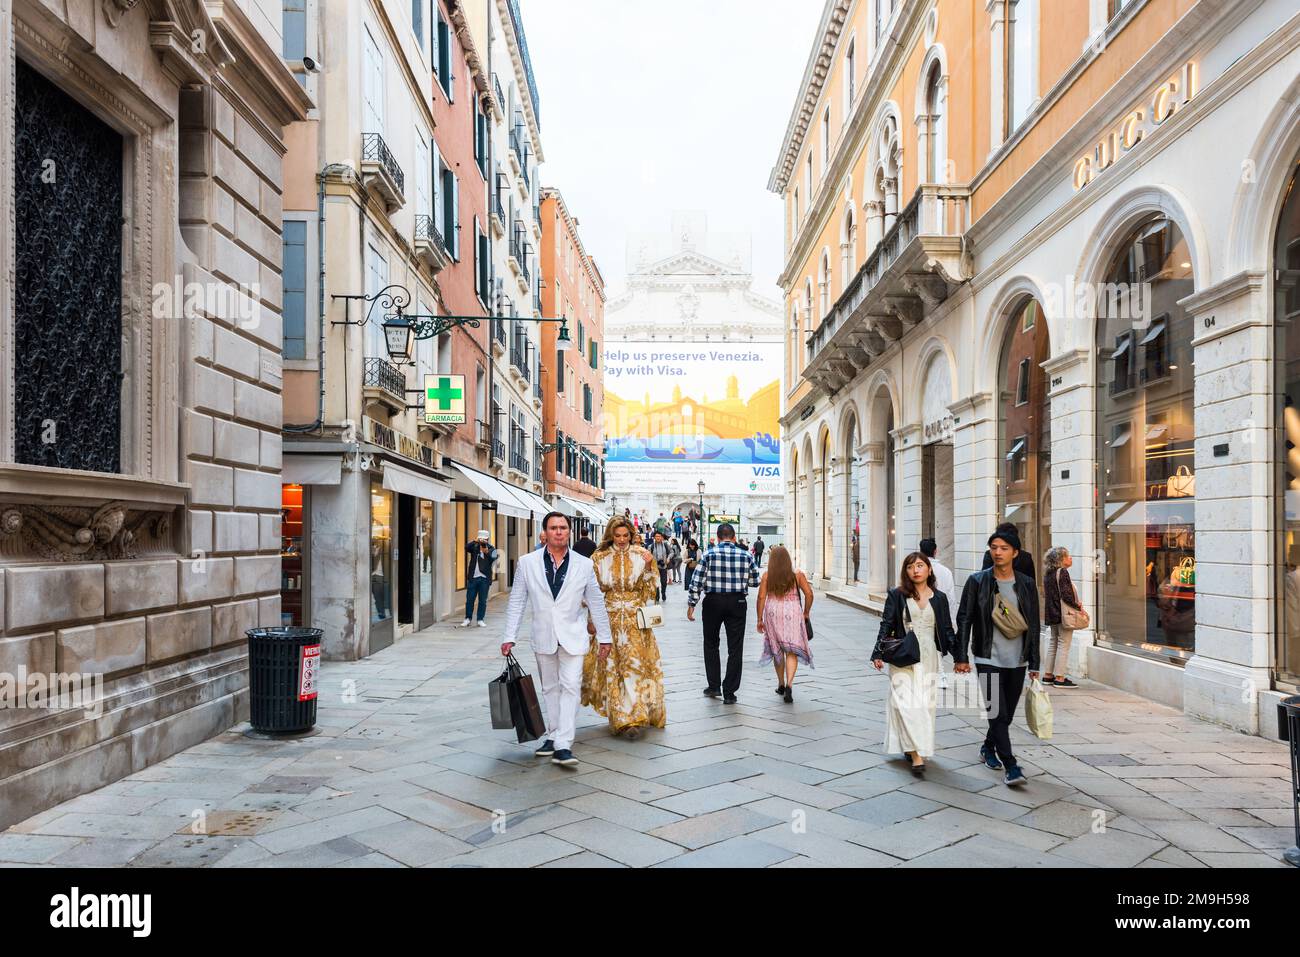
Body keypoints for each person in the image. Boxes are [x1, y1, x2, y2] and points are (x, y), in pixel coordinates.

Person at [501, 512, 613, 767]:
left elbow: (596, 601)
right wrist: (509, 636)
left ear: (570, 532)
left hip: (573, 636)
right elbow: (517, 600)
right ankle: (552, 736)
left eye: (563, 527)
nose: (559, 532)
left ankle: (564, 743)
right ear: (546, 532)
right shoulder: (527, 563)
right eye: (554, 528)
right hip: (543, 636)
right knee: (550, 689)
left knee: (571, 686)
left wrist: (605, 638)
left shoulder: (584, 564)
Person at [954, 528, 1041, 787]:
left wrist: (1035, 662)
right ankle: (1011, 765)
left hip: (1018, 660)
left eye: (1004, 548)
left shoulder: (1026, 583)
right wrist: (961, 656)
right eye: (994, 547)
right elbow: (964, 618)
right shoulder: (978, 581)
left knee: (1007, 715)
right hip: (987, 656)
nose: (998, 552)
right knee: (996, 711)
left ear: (1015, 553)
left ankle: (987, 747)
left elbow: (1034, 624)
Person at [581, 516, 666, 739]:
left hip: (635, 619)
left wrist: (648, 567)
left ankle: (635, 715)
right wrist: (591, 620)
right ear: (611, 535)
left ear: (631, 535)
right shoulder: (598, 558)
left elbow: (651, 590)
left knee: (635, 666)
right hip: (607, 618)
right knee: (611, 667)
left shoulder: (641, 555)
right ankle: (618, 715)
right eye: (617, 535)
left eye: (625, 535)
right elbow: (592, 593)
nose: (621, 540)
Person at [871, 552, 955, 776]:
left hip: (928, 657)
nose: (916, 570)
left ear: (929, 569)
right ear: (905, 571)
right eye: (910, 567)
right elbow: (886, 624)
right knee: (906, 704)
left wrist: (961, 658)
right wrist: (877, 653)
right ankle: (917, 754)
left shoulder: (939, 598)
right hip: (903, 655)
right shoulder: (897, 595)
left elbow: (947, 630)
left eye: (920, 565)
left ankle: (912, 746)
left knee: (925, 706)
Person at [687, 522, 759, 703]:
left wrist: (692, 603)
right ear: (734, 537)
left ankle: (713, 686)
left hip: (713, 601)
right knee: (736, 647)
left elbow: (697, 580)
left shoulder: (708, 555)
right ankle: (730, 691)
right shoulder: (745, 555)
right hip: (737, 601)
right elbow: (755, 581)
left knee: (711, 643)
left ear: (718, 538)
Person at [756, 545, 813, 703]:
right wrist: (806, 611)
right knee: (791, 650)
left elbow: (761, 597)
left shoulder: (768, 575)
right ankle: (789, 685)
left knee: (778, 649)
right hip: (793, 611)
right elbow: (809, 594)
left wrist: (759, 618)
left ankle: (780, 684)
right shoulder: (797, 575)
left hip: (773, 612)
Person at [1042, 546, 1080, 687]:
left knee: (1053, 643)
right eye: (1068, 556)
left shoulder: (1048, 573)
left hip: (1052, 613)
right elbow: (1066, 596)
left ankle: (1048, 675)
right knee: (1064, 644)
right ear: (1061, 559)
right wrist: (1078, 607)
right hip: (1063, 614)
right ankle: (1060, 678)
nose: (1070, 558)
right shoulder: (1062, 572)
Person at [462, 531, 498, 627]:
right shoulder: (474, 546)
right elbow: (466, 547)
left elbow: (494, 557)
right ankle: (467, 618)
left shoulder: (491, 548)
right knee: (470, 599)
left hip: (484, 579)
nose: (482, 542)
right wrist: (475, 541)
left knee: (482, 600)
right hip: (473, 577)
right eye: (481, 539)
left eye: (484, 540)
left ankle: (480, 619)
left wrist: (487, 552)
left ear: (487, 540)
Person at [649, 531, 671, 601]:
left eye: (659, 536)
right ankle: (657, 595)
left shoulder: (665, 545)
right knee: (656, 582)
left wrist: (668, 558)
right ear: (654, 537)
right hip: (655, 567)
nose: (658, 538)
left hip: (663, 566)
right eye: (656, 536)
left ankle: (663, 592)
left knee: (664, 582)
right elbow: (648, 555)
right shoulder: (651, 546)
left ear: (661, 537)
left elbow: (671, 552)